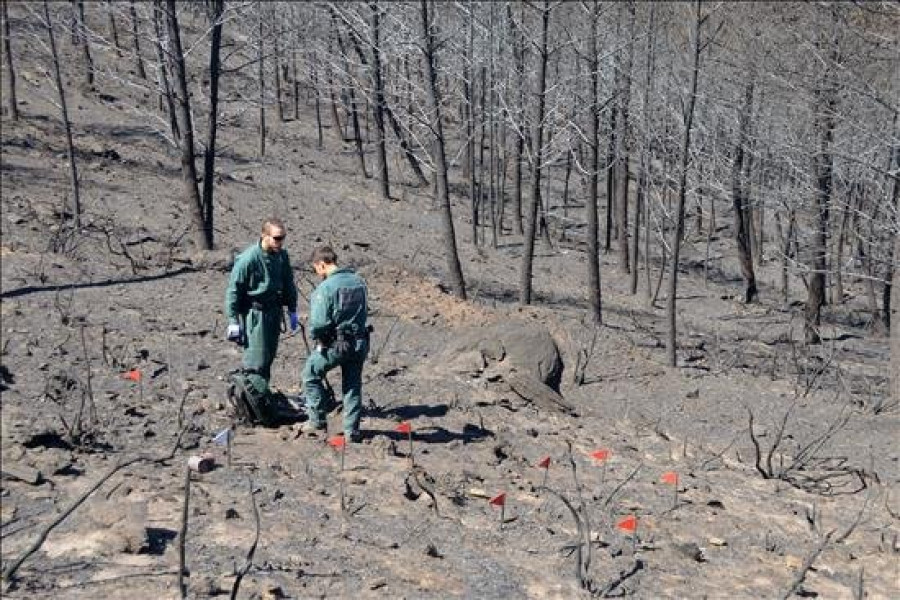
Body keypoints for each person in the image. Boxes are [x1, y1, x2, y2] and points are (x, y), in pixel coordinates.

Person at [301, 246, 370, 441]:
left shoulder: (326, 288)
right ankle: (352, 431)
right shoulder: (359, 282)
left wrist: (317, 335)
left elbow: (319, 323)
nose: (317, 273)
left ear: (321, 265)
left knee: (310, 374)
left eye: (316, 269)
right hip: (359, 342)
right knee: (352, 385)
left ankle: (316, 421)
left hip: (336, 345)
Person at [224, 218, 299, 389]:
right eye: (276, 238)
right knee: (255, 360)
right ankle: (250, 399)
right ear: (264, 236)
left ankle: (262, 397)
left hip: (274, 311)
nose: (280, 242)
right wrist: (233, 321)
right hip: (256, 313)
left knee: (268, 358)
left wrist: (292, 309)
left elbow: (288, 282)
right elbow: (234, 290)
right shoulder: (248, 259)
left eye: (283, 238)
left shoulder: (281, 256)